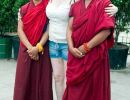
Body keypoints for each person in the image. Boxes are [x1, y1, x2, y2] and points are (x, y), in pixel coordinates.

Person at [46, 0, 117, 100]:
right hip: (76, 54)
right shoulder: (75, 6)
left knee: (94, 90)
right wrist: (71, 47)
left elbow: (106, 31)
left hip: (95, 56)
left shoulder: (104, 4)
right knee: (75, 89)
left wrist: (86, 47)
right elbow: (70, 28)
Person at [13, 0, 53, 100]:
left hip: (42, 49)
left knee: (42, 81)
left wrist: (38, 47)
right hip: (26, 49)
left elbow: (49, 29)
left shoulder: (48, 7)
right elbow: (20, 30)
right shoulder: (24, 9)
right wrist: (31, 48)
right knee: (23, 81)